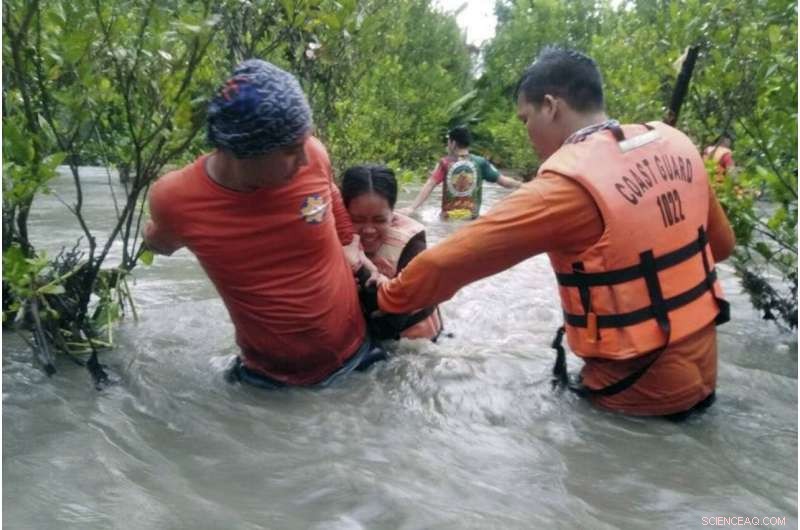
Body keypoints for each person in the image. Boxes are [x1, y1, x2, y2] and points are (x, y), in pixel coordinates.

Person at [366, 47, 735, 418]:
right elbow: (721, 246)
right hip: (703, 378)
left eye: (525, 119)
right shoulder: (678, 144)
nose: (527, 132)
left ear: (550, 106)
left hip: (632, 396)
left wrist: (384, 297)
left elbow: (446, 265)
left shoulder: (566, 187)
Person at [144, 59, 385, 389]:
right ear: (243, 152)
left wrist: (348, 242)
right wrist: (153, 237)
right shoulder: (175, 199)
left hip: (360, 356)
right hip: (270, 383)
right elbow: (160, 242)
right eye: (291, 150)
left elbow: (329, 192)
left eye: (304, 141)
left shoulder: (313, 156)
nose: (304, 158)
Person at [341, 165, 443, 341]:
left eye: (379, 220)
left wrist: (359, 269)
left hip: (412, 339)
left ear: (393, 214)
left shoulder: (412, 243)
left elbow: (394, 320)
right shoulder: (333, 233)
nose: (369, 230)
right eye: (357, 220)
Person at [399, 126, 521, 220]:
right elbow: (505, 182)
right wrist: (524, 185)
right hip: (471, 218)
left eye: (448, 141)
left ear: (453, 143)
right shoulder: (480, 162)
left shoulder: (445, 163)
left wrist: (411, 208)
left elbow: (430, 185)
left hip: (448, 218)